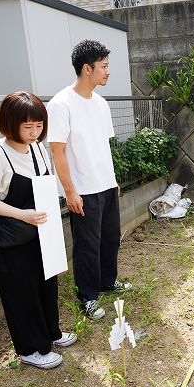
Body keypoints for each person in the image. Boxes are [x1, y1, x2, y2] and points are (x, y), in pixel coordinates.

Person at [0, 92, 77, 369]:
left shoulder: (37, 148)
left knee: (46, 283)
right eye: (27, 126)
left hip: (40, 228)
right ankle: (30, 349)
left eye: (39, 125)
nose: (34, 132)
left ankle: (51, 333)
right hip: (11, 235)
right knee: (21, 291)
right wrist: (21, 214)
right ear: (10, 123)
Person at [47, 39, 131, 321]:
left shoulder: (101, 103)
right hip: (82, 190)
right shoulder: (61, 104)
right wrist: (69, 191)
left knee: (110, 239)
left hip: (105, 185)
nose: (108, 72)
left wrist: (114, 178)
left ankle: (107, 281)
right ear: (87, 68)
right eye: (104, 66)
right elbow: (57, 151)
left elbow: (103, 145)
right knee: (87, 246)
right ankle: (88, 296)